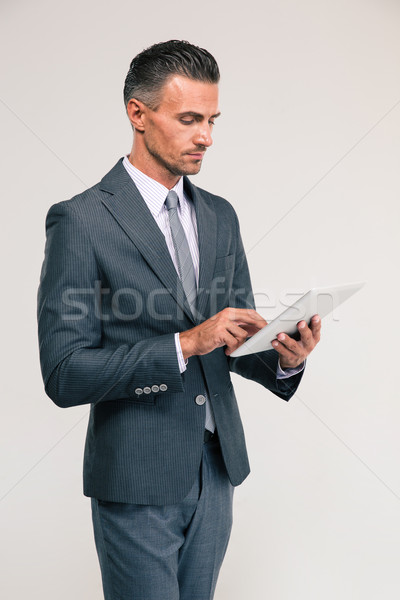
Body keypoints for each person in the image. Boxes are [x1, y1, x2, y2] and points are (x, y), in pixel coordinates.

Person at [37, 40, 321, 600]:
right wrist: (185, 344)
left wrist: (283, 358)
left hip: (217, 471)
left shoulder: (219, 214)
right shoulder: (81, 220)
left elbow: (233, 339)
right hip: (137, 477)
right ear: (137, 115)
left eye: (213, 120)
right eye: (190, 119)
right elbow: (64, 373)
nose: (207, 137)